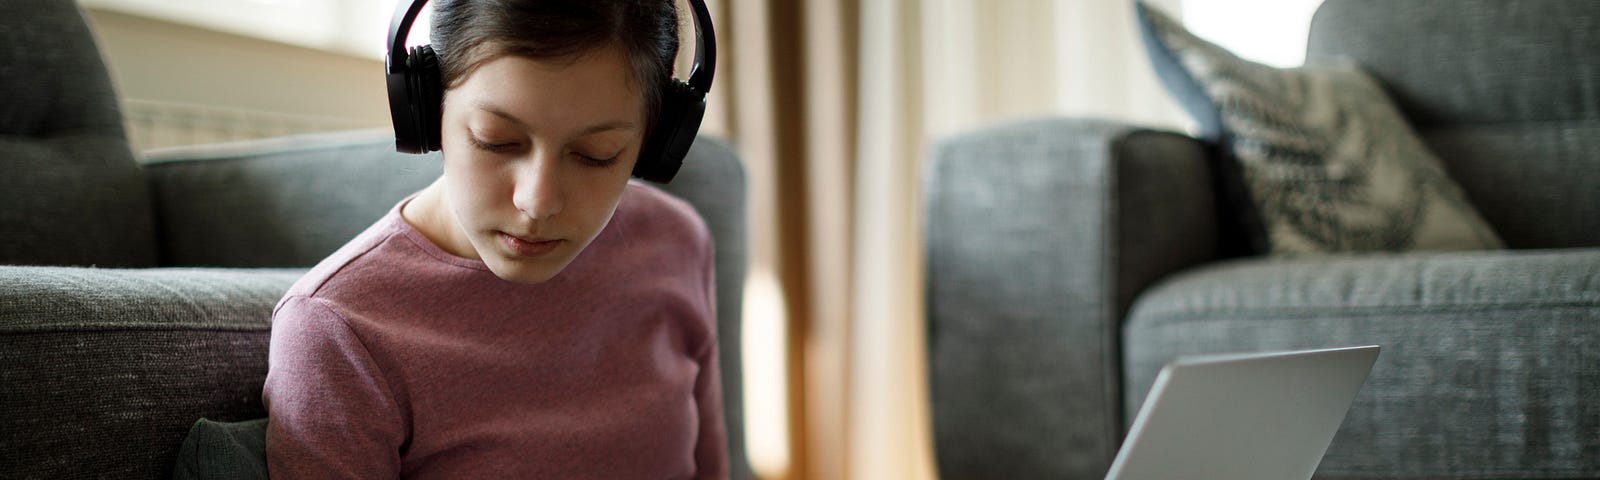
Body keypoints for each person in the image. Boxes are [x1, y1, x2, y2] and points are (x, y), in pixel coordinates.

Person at [261, 0, 727, 478]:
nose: (538, 202)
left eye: (595, 154)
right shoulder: (338, 331)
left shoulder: (676, 242)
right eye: (496, 139)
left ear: (656, 141)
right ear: (425, 108)